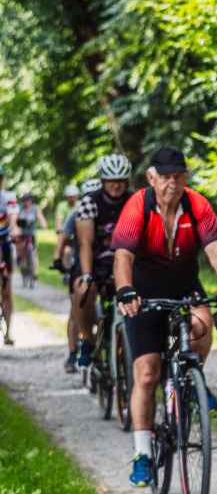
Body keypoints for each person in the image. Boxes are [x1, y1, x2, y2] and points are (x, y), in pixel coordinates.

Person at [112, 145, 217, 488]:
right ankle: (142, 454)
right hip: (144, 293)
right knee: (147, 374)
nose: (172, 183)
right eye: (165, 177)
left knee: (202, 326)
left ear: (185, 177)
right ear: (152, 178)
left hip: (184, 287)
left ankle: (189, 380)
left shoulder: (197, 204)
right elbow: (123, 256)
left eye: (178, 176)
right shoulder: (138, 205)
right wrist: (125, 290)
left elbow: (216, 251)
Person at [73, 155, 132, 370]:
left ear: (127, 181)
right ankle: (87, 340)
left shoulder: (135, 201)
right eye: (111, 180)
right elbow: (85, 243)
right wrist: (87, 275)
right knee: (83, 291)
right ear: (103, 181)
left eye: (120, 181)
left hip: (126, 261)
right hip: (96, 261)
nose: (116, 185)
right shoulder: (90, 202)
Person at [56, 180, 102, 373]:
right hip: (81, 265)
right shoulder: (76, 213)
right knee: (76, 308)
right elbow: (63, 237)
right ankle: (72, 352)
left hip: (104, 264)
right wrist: (58, 259)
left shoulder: (109, 212)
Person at [0, 168, 17, 345]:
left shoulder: (8, 197)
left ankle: (8, 333)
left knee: (7, 291)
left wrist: (14, 228)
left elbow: (13, 216)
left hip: (4, 242)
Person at [14, 192, 48, 279]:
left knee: (34, 252)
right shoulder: (19, 208)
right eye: (25, 200)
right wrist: (16, 228)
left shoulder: (35, 208)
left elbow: (41, 218)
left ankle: (35, 272)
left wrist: (43, 224)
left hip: (31, 233)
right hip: (21, 233)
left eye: (28, 200)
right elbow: (14, 220)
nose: (26, 202)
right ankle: (19, 258)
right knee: (19, 246)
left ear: (31, 200)